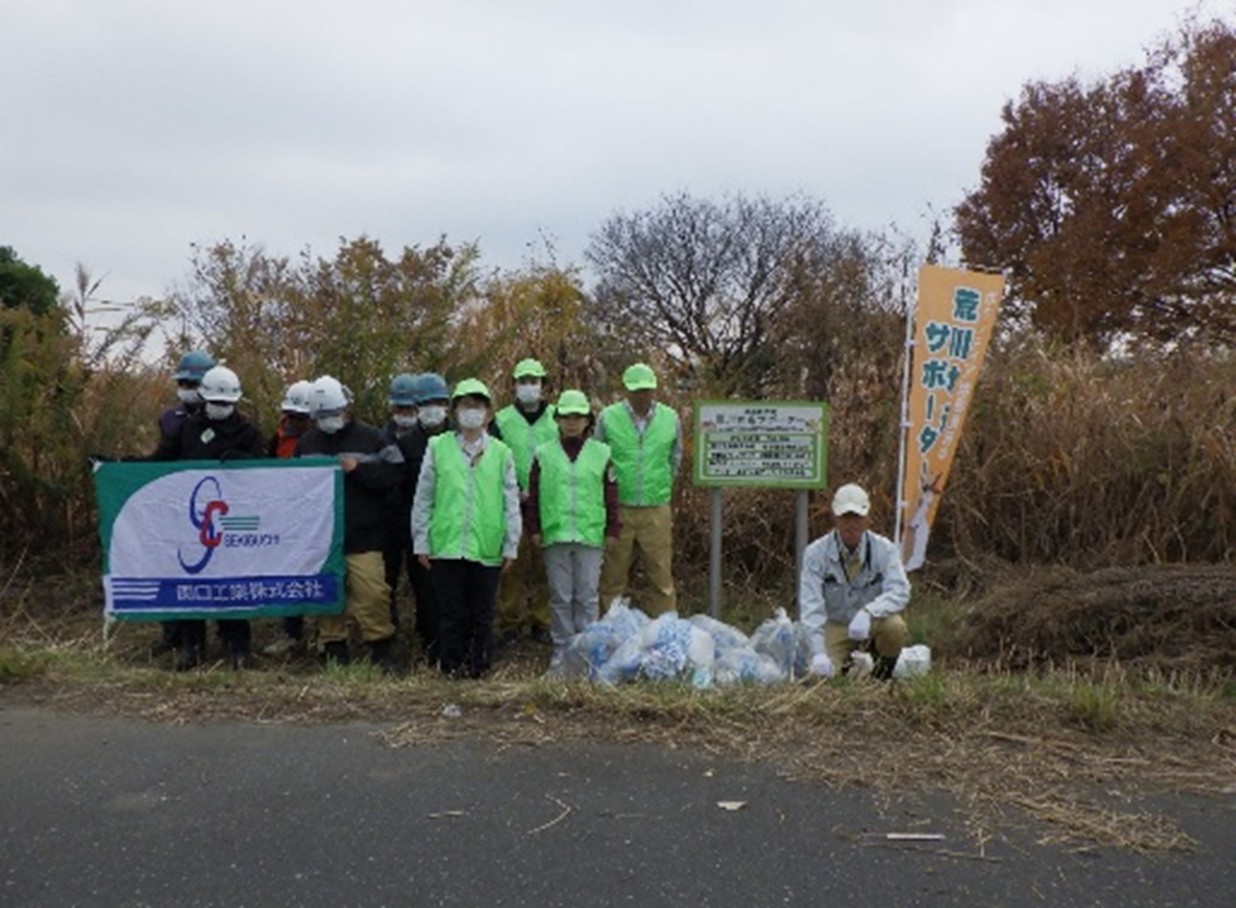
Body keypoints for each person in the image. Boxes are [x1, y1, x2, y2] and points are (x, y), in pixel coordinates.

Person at [151, 365, 265, 670]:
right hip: (190, 521)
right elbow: (160, 462)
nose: (220, 408)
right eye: (215, 403)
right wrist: (118, 467)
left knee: (233, 583)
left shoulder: (249, 433)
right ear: (204, 398)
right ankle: (192, 647)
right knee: (191, 583)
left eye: (225, 404)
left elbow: (267, 475)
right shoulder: (187, 429)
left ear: (236, 402)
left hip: (231, 522)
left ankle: (238, 647)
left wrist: (246, 462)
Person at [411, 378, 520, 679]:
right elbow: (424, 498)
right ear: (455, 410)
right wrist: (421, 541)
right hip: (447, 544)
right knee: (450, 613)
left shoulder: (502, 453)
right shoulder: (438, 447)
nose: (471, 411)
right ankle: (451, 666)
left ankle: (480, 667)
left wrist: (511, 544)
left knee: (482, 614)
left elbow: (510, 502)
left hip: (486, 544)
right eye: (465, 405)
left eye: (478, 405)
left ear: (488, 412)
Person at [294, 375, 401, 672]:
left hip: (364, 534)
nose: (329, 420)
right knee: (328, 594)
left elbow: (394, 476)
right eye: (322, 416)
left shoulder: (372, 437)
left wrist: (359, 471)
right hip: (322, 537)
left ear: (346, 408)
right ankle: (332, 647)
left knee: (373, 594)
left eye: (333, 414)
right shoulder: (306, 443)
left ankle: (380, 649)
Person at [525, 389, 620, 672]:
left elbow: (611, 493)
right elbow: (534, 494)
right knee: (560, 595)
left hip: (590, 534)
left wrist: (613, 527)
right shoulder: (543, 454)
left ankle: (587, 649)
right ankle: (562, 649)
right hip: (556, 534)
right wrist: (535, 528)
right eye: (566, 417)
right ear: (557, 419)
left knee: (588, 595)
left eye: (577, 417)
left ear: (587, 421)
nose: (571, 422)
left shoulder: (602, 453)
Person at [799, 483, 911, 680]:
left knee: (895, 628)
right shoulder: (815, 553)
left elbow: (900, 591)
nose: (852, 524)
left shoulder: (885, 549)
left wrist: (869, 613)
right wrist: (818, 653)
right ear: (835, 517)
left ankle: (880, 677)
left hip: (872, 623)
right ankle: (846, 670)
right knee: (816, 675)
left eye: (858, 517)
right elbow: (811, 606)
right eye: (845, 517)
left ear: (868, 518)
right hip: (835, 625)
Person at [595, 362, 682, 615]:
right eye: (636, 390)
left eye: (646, 390)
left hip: (656, 508)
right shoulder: (608, 417)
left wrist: (661, 486)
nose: (641, 395)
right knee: (612, 576)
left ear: (654, 390)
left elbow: (675, 459)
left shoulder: (670, 418)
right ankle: (610, 630)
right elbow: (599, 458)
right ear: (626, 391)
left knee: (661, 576)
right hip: (619, 507)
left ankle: (665, 630)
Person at [149, 349, 215, 659]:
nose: (189, 388)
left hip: (212, 509)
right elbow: (160, 458)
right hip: (175, 505)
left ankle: (227, 640)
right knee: (174, 569)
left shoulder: (228, 420)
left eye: (195, 383)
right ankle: (175, 634)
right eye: (185, 383)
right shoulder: (169, 418)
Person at [491, 358, 557, 647]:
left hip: (548, 505)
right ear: (514, 385)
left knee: (547, 566)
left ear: (543, 385)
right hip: (513, 503)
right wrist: (515, 490)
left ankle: (543, 621)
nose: (529, 387)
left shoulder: (558, 416)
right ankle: (510, 624)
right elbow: (492, 460)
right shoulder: (502, 420)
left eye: (534, 381)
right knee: (511, 566)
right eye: (523, 381)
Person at [400, 372, 452, 668]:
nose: (431, 408)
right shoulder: (407, 444)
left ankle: (456, 646)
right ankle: (430, 648)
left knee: (453, 593)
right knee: (425, 594)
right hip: (418, 531)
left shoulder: (459, 438)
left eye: (437, 402)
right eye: (425, 403)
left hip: (455, 529)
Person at [261, 379, 315, 656]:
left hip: (317, 517)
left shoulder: (321, 439)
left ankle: (326, 635)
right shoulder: (277, 438)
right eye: (290, 416)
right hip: (285, 517)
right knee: (289, 574)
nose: (293, 422)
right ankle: (291, 634)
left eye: (300, 417)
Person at [381, 372, 421, 630]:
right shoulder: (379, 438)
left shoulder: (431, 439)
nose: (405, 412)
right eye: (400, 407)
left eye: (410, 407)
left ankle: (425, 632)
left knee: (424, 582)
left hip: (421, 520)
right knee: (387, 581)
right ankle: (388, 629)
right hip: (387, 521)